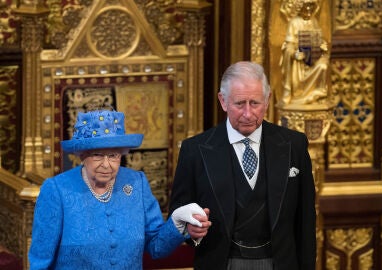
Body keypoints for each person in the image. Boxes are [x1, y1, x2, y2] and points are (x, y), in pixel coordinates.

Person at [169, 61, 316, 270]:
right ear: (223, 101)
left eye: (255, 103)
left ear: (267, 100)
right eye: (240, 104)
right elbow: (178, 213)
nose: (248, 114)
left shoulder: (294, 145)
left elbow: (306, 220)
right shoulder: (195, 150)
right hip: (221, 262)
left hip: (280, 262)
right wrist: (190, 231)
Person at [28, 109, 211, 269]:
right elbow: (40, 260)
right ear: (82, 155)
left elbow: (156, 247)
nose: (107, 164)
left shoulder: (136, 182)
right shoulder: (57, 190)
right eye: (98, 155)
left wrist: (177, 222)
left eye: (114, 156)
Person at [279, 0, 329, 105]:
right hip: (299, 63)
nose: (308, 10)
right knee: (297, 65)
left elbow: (318, 40)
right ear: (300, 7)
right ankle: (297, 94)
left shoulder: (314, 21)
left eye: (311, 6)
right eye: (306, 7)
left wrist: (322, 46)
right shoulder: (294, 23)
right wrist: (294, 54)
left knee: (323, 65)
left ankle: (318, 93)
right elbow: (288, 46)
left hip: (313, 60)